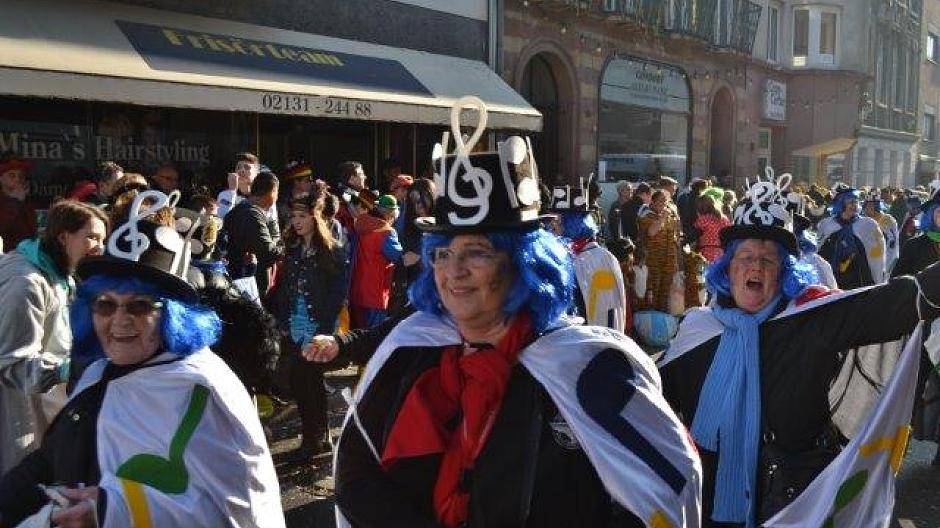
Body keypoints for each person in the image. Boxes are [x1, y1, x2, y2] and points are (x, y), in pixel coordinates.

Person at [333, 98, 700, 528]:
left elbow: (667, 490)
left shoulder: (587, 367)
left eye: (477, 252)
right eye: (443, 253)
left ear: (523, 265)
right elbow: (356, 478)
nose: (454, 271)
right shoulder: (410, 348)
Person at [659, 176, 940, 527]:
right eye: (745, 256)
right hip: (710, 503)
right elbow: (650, 407)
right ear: (727, 269)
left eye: (768, 260)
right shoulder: (697, 331)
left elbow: (901, 301)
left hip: (797, 504)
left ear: (786, 273)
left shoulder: (812, 318)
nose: (756, 266)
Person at [0, 190, 285, 526]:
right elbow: (52, 459)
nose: (119, 320)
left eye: (139, 306)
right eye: (105, 304)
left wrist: (112, 510)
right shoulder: (99, 373)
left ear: (172, 315)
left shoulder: (202, 389)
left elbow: (242, 509)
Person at [0, 200, 108, 473]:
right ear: (63, 237)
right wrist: (69, 369)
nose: (100, 247)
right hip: (15, 413)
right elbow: (12, 365)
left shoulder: (62, 272)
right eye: (92, 237)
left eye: (103, 240)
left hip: (41, 405)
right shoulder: (26, 284)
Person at [266, 194, 346, 460]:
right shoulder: (292, 248)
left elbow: (337, 294)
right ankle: (318, 437)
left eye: (302, 216)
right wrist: (281, 319)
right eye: (293, 217)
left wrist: (324, 328)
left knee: (308, 380)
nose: (296, 222)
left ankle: (315, 439)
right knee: (303, 383)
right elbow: (283, 288)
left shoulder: (331, 250)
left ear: (315, 217)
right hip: (293, 323)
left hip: (316, 325)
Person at [547, 181, 626, 331]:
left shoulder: (574, 260)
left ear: (571, 223)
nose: (552, 226)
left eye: (557, 221)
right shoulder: (605, 256)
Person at [222, 171, 282, 296]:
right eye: (277, 193)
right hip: (246, 287)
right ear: (272, 191)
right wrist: (282, 246)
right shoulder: (252, 214)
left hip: (238, 281)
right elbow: (268, 253)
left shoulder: (243, 209)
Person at [348, 194, 402, 328]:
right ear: (390, 214)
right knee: (373, 336)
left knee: (355, 334)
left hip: (355, 293)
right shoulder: (387, 232)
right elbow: (399, 257)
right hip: (375, 295)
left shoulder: (358, 225)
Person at [817, 184, 886, 288]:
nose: (855, 205)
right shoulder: (827, 224)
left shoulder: (868, 225)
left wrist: (878, 280)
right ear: (841, 204)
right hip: (833, 280)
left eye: (856, 202)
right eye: (851, 202)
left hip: (859, 281)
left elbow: (878, 255)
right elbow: (819, 252)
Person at [637, 189, 680, 311]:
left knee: (665, 295)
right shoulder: (646, 215)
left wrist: (676, 260)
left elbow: (675, 238)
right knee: (652, 293)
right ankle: (650, 317)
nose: (664, 203)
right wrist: (662, 218)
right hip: (652, 261)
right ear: (653, 201)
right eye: (661, 200)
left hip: (668, 261)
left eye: (666, 201)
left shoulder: (670, 216)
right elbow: (651, 232)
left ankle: (661, 317)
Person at [0, 151, 37, 250]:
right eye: (12, 175)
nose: (17, 179)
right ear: (1, 179)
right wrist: (15, 202)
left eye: (21, 176)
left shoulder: (26, 201)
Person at [863, 189, 900, 274]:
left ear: (876, 206)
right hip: (868, 261)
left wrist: (888, 263)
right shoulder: (864, 220)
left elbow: (893, 243)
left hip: (885, 260)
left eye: (870, 205)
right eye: (866, 205)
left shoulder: (888, 219)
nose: (867, 209)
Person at [217, 152, 260, 218]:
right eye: (238, 167)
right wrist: (231, 191)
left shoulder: (262, 197)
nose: (241, 170)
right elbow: (222, 217)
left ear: (256, 173)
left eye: (247, 167)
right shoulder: (224, 195)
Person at [694, 193, 732, 263]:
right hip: (721, 254)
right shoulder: (724, 219)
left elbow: (696, 237)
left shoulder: (702, 220)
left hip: (705, 254)